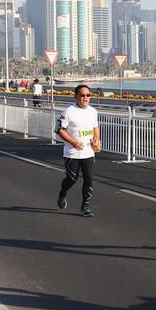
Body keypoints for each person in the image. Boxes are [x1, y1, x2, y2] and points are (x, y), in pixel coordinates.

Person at [56, 85, 100, 217]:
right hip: (72, 153)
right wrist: (73, 142)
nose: (85, 98)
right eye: (82, 95)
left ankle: (85, 206)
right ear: (76, 96)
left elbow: (95, 127)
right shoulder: (68, 112)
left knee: (89, 179)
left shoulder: (93, 111)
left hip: (88, 152)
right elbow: (59, 130)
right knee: (71, 179)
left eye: (88, 95)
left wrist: (97, 139)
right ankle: (62, 193)